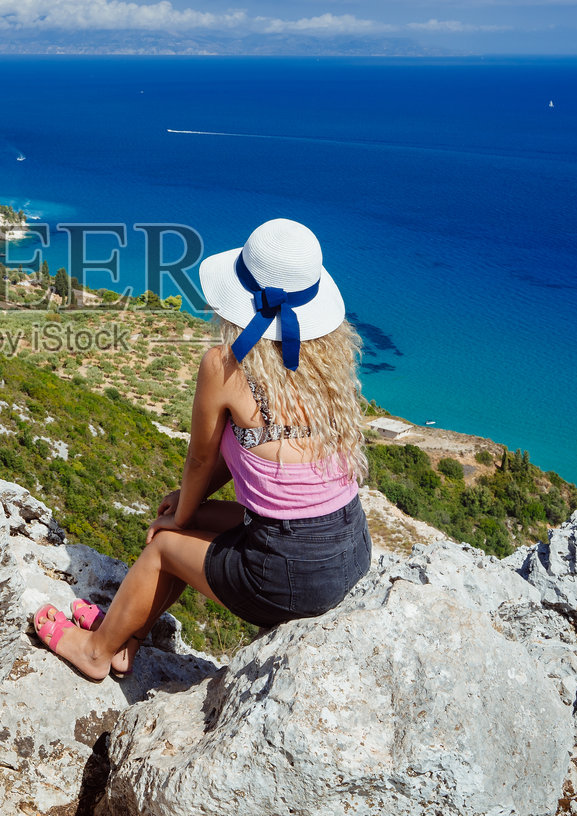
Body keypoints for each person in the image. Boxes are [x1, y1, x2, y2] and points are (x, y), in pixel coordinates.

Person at [32, 218, 372, 679]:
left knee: (164, 545)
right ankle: (123, 636)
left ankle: (95, 652)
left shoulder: (225, 365)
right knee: (186, 520)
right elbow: (253, 450)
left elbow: (201, 458)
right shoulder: (326, 360)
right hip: (348, 549)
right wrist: (188, 505)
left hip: (293, 576)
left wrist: (181, 515)